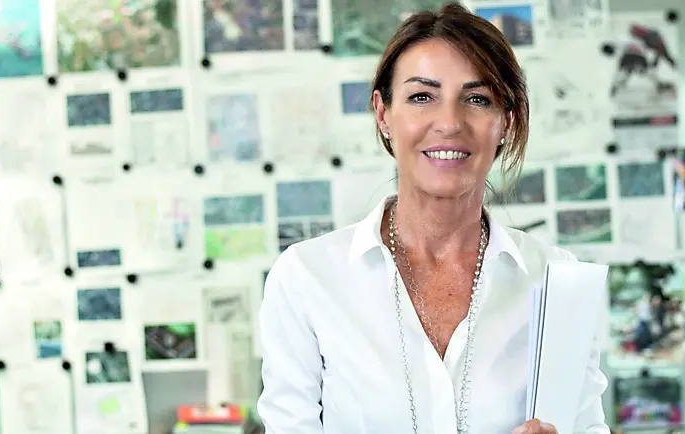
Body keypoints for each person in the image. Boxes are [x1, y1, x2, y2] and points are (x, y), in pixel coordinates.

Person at [257, 2, 610, 433]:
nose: (449, 123)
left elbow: (584, 426)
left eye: (477, 99)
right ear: (383, 114)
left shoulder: (556, 282)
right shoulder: (307, 277)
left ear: (505, 122)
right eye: (422, 97)